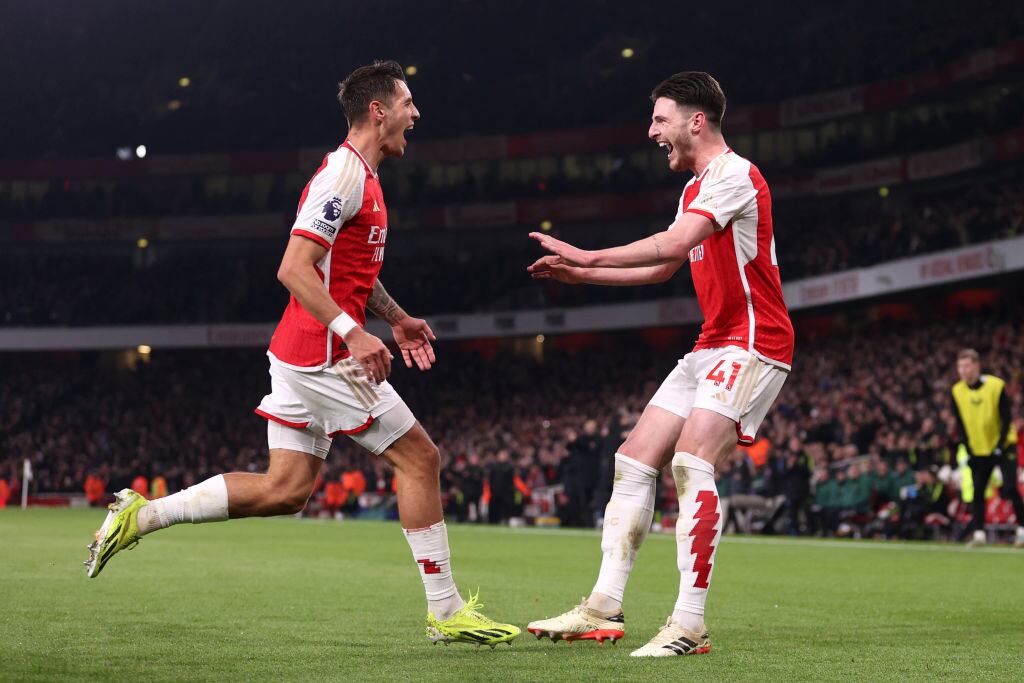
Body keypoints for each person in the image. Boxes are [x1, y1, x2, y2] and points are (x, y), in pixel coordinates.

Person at [84, 60, 519, 647]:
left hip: (301, 350)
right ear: (378, 110)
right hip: (324, 354)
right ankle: (444, 612)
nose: (415, 114)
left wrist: (393, 319)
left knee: (285, 490)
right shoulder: (343, 174)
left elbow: (347, 274)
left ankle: (143, 515)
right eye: (408, 103)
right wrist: (355, 333)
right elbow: (293, 267)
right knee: (421, 460)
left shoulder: (362, 174)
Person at [526, 71, 793, 657]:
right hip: (711, 342)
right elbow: (664, 269)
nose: (652, 132)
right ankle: (603, 607)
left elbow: (671, 247)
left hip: (753, 341)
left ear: (696, 120)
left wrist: (590, 251)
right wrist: (583, 274)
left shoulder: (734, 175)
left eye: (659, 119)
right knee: (632, 460)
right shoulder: (696, 187)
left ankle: (690, 624)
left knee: (691, 461)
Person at [950, 348, 1024, 548]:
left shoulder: (996, 386)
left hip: (1003, 445)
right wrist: (968, 448)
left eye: (967, 365)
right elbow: (959, 422)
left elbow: (1006, 417)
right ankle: (979, 534)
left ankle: (1022, 530)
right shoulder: (957, 391)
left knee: (1009, 487)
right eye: (960, 366)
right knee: (978, 491)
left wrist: (999, 446)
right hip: (978, 449)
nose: (963, 370)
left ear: (977, 366)